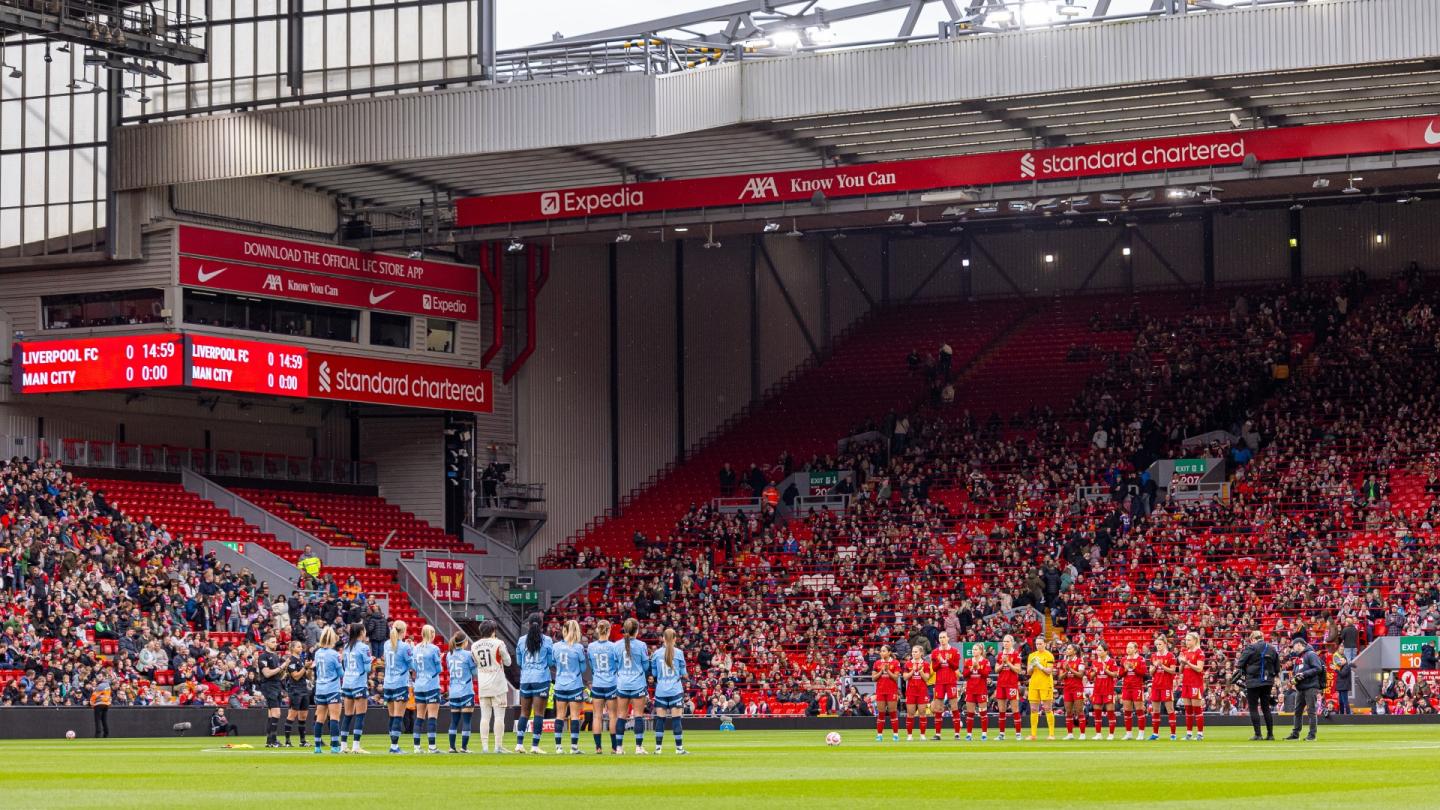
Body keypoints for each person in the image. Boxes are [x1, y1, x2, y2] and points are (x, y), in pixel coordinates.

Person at [516, 612, 555, 754]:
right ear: (542, 624)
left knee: (524, 713)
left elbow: (519, 662)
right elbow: (551, 662)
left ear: (528, 624)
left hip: (525, 679)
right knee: (539, 713)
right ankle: (534, 746)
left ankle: (519, 744)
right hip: (541, 679)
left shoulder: (521, 640)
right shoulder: (548, 640)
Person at [471, 620, 512, 754]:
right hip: (498, 684)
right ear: (493, 631)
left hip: (483, 684)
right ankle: (498, 746)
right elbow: (508, 662)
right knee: (499, 717)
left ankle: (485, 747)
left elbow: (476, 662)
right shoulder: (499, 643)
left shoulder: (474, 646)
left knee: (485, 717)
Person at [1234, 630, 1280, 741]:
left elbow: (1240, 663)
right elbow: (1277, 667)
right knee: (1266, 708)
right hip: (1267, 681)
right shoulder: (1272, 648)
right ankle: (1270, 734)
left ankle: (1258, 734)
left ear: (1253, 639)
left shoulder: (1251, 647)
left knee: (1254, 708)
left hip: (1253, 681)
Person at [614, 617, 650, 755]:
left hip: (622, 683)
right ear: (637, 630)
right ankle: (638, 747)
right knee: (638, 716)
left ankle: (619, 748)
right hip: (637, 684)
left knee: (621, 715)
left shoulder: (616, 645)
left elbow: (616, 664)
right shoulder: (641, 645)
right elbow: (646, 666)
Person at [649, 627, 689, 755]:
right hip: (675, 690)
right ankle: (679, 749)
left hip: (661, 690)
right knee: (676, 719)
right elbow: (684, 673)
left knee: (660, 720)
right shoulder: (679, 653)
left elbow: (654, 673)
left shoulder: (656, 654)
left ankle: (658, 749)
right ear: (675, 639)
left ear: (663, 639)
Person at [552, 619, 589, 754]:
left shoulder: (555, 647)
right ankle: (574, 747)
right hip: (574, 684)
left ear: (564, 630)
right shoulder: (578, 647)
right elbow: (583, 667)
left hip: (560, 684)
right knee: (574, 716)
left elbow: (552, 662)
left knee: (560, 715)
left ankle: (558, 747)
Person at [586, 619, 619, 754]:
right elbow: (617, 665)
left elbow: (592, 666)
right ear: (609, 630)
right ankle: (614, 747)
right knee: (612, 716)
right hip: (611, 683)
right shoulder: (614, 646)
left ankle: (598, 747)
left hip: (597, 683)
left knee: (597, 716)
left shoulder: (591, 647)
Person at [381, 620, 413, 754]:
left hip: (388, 683)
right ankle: (394, 746)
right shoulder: (405, 646)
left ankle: (392, 744)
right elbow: (412, 665)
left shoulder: (387, 644)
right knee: (398, 716)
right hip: (400, 683)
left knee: (392, 716)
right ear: (403, 631)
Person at [340, 622, 373, 753]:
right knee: (360, 715)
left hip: (347, 683)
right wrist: (371, 661)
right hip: (358, 683)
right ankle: (356, 746)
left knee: (347, 714)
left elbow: (345, 665)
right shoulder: (364, 647)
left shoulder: (346, 646)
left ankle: (343, 746)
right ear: (361, 632)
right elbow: (367, 668)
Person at [411, 624, 443, 753]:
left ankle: (417, 747)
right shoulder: (434, 649)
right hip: (431, 684)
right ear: (432, 634)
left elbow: (414, 667)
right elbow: (439, 669)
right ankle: (432, 747)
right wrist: (440, 659)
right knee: (432, 717)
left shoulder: (416, 648)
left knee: (419, 716)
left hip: (419, 685)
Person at [1286, 636, 1325, 741]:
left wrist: (1303, 674)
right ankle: (1295, 734)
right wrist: (1293, 679)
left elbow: (1318, 668)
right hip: (1301, 688)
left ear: (1299, 644)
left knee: (1311, 711)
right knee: (1297, 711)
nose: (1292, 648)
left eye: (1293, 645)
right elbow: (1296, 672)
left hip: (1311, 687)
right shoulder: (1299, 657)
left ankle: (1312, 735)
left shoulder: (1311, 654)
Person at [312, 626, 344, 754]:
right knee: (334, 718)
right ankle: (335, 746)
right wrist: (341, 661)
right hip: (332, 688)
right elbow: (341, 673)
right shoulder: (334, 654)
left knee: (320, 718)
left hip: (320, 688)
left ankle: (317, 746)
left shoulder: (317, 653)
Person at [445, 630, 477, 753]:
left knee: (454, 720)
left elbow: (449, 670)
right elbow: (474, 673)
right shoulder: (468, 655)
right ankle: (464, 747)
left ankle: (452, 747)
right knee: (467, 720)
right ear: (464, 642)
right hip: (466, 691)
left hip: (453, 691)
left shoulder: (449, 654)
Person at [929, 632, 962, 740]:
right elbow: (934, 668)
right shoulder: (935, 652)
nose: (942, 639)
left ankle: (957, 734)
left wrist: (948, 660)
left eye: (944, 637)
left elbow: (956, 666)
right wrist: (940, 661)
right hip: (939, 682)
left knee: (954, 707)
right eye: (940, 638)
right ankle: (938, 734)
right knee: (938, 708)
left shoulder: (954, 651)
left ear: (948, 638)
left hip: (951, 682)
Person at [255, 635, 287, 748]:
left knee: (271, 714)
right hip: (269, 686)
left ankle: (270, 741)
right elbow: (267, 673)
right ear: (266, 643)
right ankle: (273, 741)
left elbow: (278, 674)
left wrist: (284, 670)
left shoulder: (275, 656)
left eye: (276, 641)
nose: (275, 643)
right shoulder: (263, 656)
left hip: (276, 685)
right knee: (277, 713)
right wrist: (281, 667)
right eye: (273, 642)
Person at [1148, 636, 1178, 741]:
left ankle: (1173, 734)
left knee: (1170, 709)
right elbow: (1151, 673)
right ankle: (1155, 734)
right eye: (1156, 644)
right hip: (1156, 685)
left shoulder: (1171, 656)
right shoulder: (1153, 656)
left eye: (1160, 644)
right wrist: (1156, 666)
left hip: (1166, 686)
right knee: (1155, 710)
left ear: (1165, 644)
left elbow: (1173, 671)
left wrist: (1162, 666)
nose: (1158, 646)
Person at [282, 640, 311, 747]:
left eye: (301, 646)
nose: (301, 648)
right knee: (292, 715)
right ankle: (287, 741)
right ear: (292, 648)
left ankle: (302, 741)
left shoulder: (301, 659)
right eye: (298, 647)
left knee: (303, 716)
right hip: (295, 690)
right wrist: (305, 667)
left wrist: (309, 668)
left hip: (304, 689)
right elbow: (296, 676)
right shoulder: (291, 660)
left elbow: (306, 676)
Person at [1026, 636, 1056, 741]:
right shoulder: (1032, 656)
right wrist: (1032, 666)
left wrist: (1039, 665)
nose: (1038, 645)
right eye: (1037, 644)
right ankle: (1033, 735)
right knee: (1033, 709)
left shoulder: (1049, 655)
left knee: (1047, 708)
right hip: (1034, 684)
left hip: (1045, 684)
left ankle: (1051, 734)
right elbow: (1028, 673)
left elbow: (1049, 671)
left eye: (1040, 643)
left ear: (1045, 644)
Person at [994, 635, 1023, 740]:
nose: (1005, 643)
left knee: (1015, 709)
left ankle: (1018, 734)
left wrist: (1008, 662)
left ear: (1012, 642)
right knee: (1001, 710)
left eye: (1007, 641)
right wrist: (1003, 663)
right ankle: (1001, 734)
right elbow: (996, 670)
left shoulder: (1016, 655)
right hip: (1001, 684)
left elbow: (1018, 670)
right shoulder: (1000, 655)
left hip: (1011, 684)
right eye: (1004, 641)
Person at [1178, 632, 1206, 740]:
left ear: (1195, 640)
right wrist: (1182, 663)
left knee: (1197, 709)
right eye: (1186, 639)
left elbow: (1199, 668)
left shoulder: (1200, 652)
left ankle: (1200, 734)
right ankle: (1189, 734)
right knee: (1188, 709)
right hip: (1186, 683)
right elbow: (1180, 671)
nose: (1186, 641)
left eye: (1189, 640)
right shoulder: (1184, 652)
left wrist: (1187, 663)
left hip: (1196, 684)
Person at [962, 643, 990, 741]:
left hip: (981, 690)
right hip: (970, 690)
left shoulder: (985, 661)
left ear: (981, 651)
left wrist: (978, 668)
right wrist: (971, 669)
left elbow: (986, 674)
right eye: (973, 649)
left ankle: (984, 734)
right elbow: (964, 675)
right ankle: (969, 734)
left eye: (976, 649)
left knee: (983, 713)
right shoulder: (968, 661)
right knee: (970, 713)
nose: (974, 651)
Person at [1119, 641, 1148, 740]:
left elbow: (1144, 673)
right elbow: (1120, 675)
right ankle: (1129, 733)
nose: (1128, 649)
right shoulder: (1123, 659)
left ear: (1136, 649)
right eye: (1127, 647)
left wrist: (1133, 668)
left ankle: (1141, 733)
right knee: (1127, 711)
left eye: (1131, 648)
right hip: (1126, 687)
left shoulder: (1140, 659)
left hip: (1137, 687)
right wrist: (1126, 670)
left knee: (1139, 710)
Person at [902, 647, 932, 741]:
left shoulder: (926, 664)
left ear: (921, 653)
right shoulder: (908, 663)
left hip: (922, 691)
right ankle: (909, 735)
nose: (914, 653)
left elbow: (927, 678)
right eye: (913, 652)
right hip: (911, 691)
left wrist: (920, 670)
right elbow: (905, 677)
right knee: (910, 713)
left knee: (922, 713)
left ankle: (922, 735)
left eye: (916, 652)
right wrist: (912, 671)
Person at [1090, 644, 1119, 740]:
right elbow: (1091, 676)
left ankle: (1111, 734)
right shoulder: (1095, 662)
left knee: (1110, 711)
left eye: (1100, 650)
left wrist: (1106, 670)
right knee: (1097, 712)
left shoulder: (1111, 661)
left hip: (1108, 689)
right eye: (1097, 650)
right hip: (1097, 689)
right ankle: (1098, 734)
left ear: (1106, 651)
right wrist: (1094, 672)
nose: (1098, 652)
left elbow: (1115, 675)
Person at [1058, 644, 1087, 740]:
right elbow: (1059, 677)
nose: (1067, 650)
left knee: (1079, 711)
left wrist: (1070, 669)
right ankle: (1070, 734)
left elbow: (1081, 675)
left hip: (1077, 689)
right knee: (1068, 711)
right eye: (1067, 648)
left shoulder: (1080, 661)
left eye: (1069, 649)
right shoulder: (1064, 662)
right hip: (1067, 689)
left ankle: (1082, 734)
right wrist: (1066, 671)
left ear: (1075, 651)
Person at [873, 645, 901, 742]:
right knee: (881, 713)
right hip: (880, 690)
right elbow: (873, 678)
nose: (882, 652)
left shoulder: (895, 662)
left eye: (884, 651)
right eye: (881, 651)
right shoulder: (877, 663)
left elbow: (896, 678)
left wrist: (887, 670)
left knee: (892, 712)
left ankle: (896, 735)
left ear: (889, 652)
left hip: (891, 690)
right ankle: (879, 735)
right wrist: (881, 670)